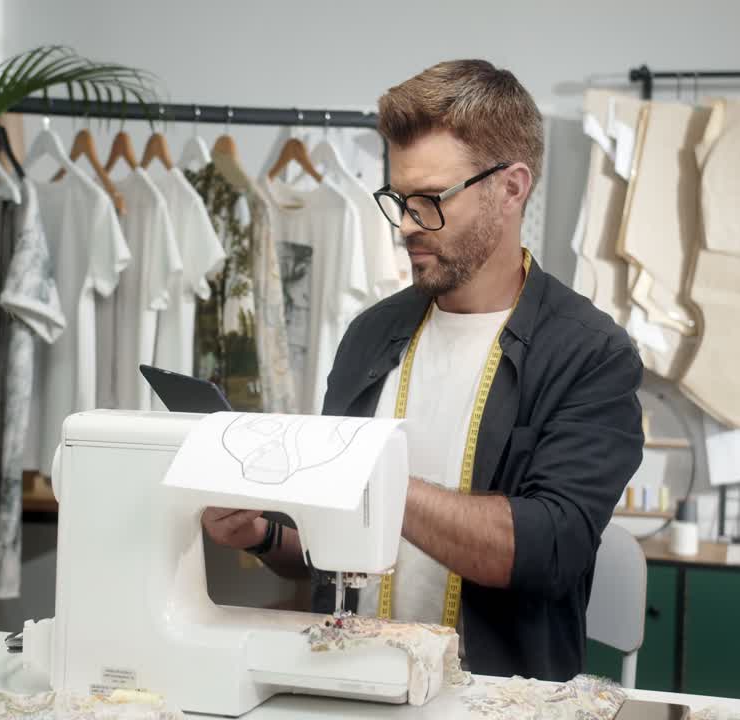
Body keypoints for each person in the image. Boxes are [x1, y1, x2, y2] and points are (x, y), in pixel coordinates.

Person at [203, 59, 644, 681]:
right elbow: (334, 549)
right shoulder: (371, 334)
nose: (407, 224)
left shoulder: (592, 355)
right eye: (399, 199)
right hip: (348, 684)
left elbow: (550, 550)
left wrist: (368, 477)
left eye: (430, 201)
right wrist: (263, 535)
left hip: (494, 701)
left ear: (512, 188)